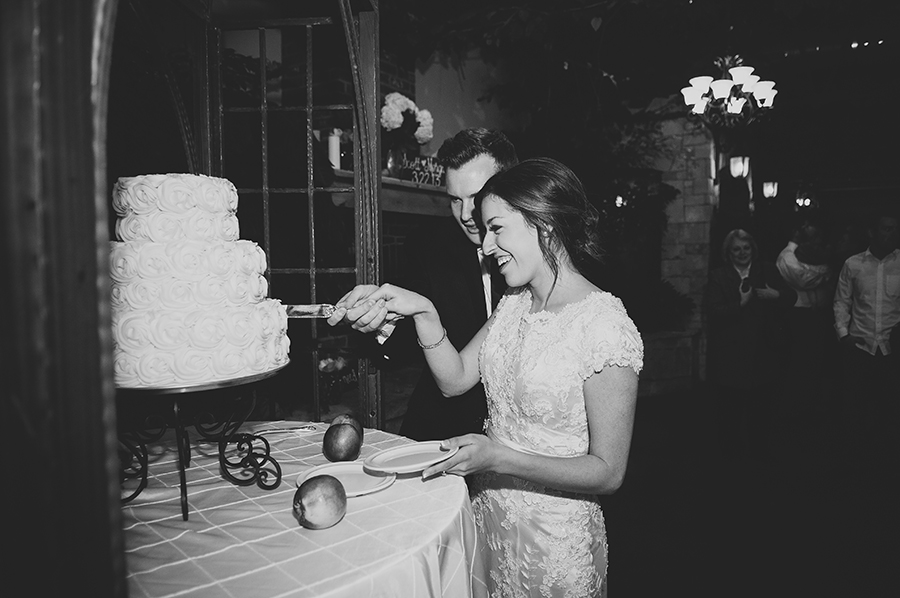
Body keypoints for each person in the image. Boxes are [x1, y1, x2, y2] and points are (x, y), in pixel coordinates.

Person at [329, 158, 643, 596]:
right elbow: (454, 379)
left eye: (497, 228)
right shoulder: (514, 304)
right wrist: (423, 311)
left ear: (543, 223)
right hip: (488, 514)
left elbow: (608, 472)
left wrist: (498, 458)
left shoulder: (605, 326)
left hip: (553, 541)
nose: (487, 245)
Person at [388, 128, 517, 441]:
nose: (466, 215)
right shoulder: (428, 245)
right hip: (446, 430)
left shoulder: (533, 268)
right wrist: (381, 320)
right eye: (455, 200)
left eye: (477, 198)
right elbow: (406, 344)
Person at [706, 229, 796, 463]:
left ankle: (761, 459)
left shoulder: (765, 269)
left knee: (762, 413)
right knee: (730, 415)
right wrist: (741, 304)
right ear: (728, 252)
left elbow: (791, 297)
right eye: (736, 249)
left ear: (752, 249)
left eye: (746, 248)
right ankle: (730, 462)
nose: (742, 253)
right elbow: (713, 313)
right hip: (731, 357)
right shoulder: (718, 276)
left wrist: (775, 294)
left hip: (763, 354)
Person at [832, 212, 900, 462]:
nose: (891, 233)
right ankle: (855, 457)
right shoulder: (853, 264)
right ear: (872, 232)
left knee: (891, 405)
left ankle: (888, 457)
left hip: (892, 348)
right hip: (860, 346)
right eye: (886, 228)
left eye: (894, 229)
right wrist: (843, 334)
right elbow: (842, 301)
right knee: (855, 405)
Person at [775, 218, 836, 427]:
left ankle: (809, 410)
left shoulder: (814, 255)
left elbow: (814, 275)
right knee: (799, 365)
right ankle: (791, 413)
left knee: (816, 365)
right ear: (799, 237)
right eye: (813, 237)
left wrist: (822, 272)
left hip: (818, 316)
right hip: (799, 317)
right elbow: (802, 280)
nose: (817, 242)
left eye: (818, 237)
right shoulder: (786, 257)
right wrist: (825, 273)